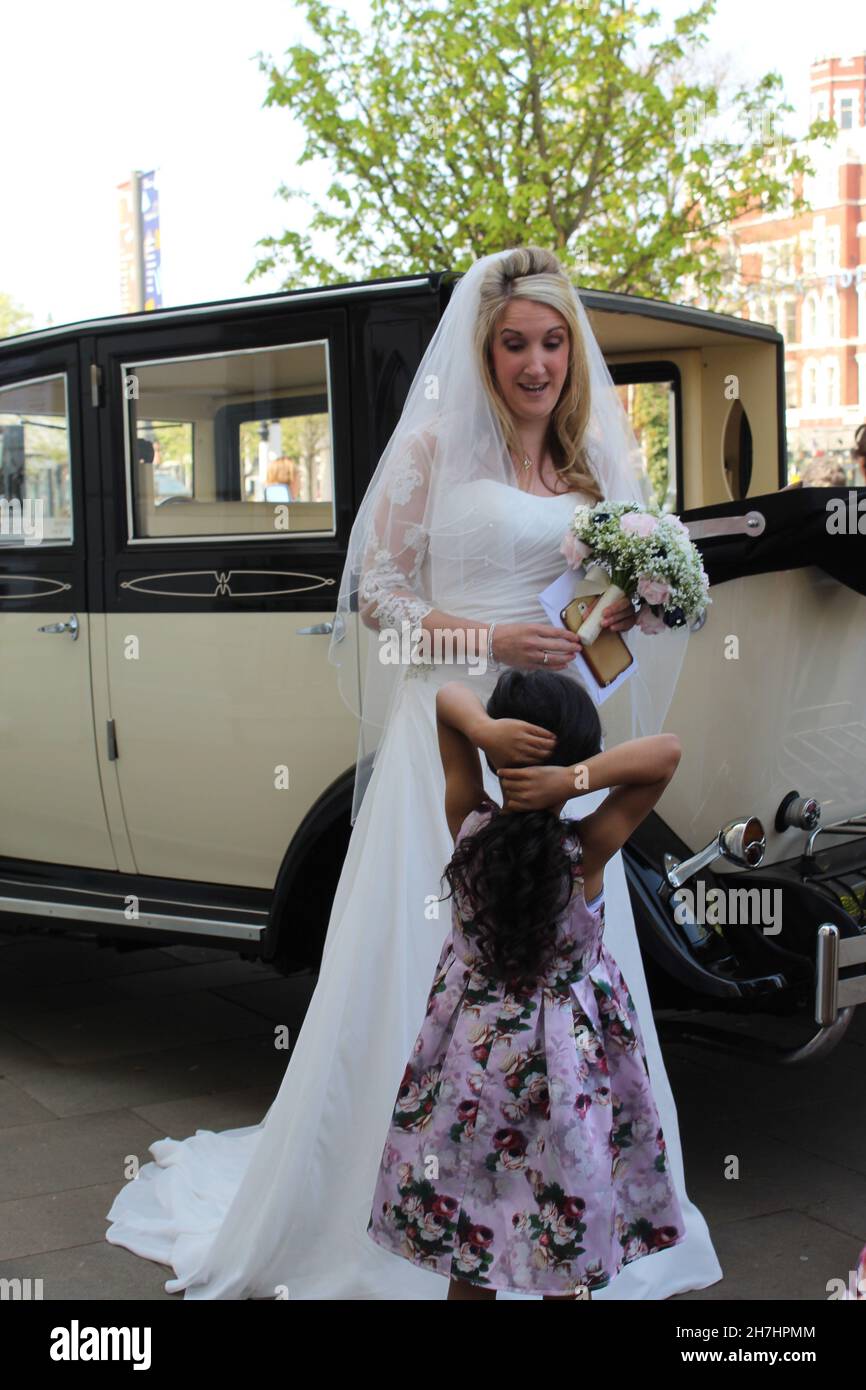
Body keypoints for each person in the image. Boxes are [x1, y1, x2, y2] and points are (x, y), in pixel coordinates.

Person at [105, 245, 722, 1299]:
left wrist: (626, 608)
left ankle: (565, 1211)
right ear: (484, 352)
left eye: (551, 341)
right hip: (451, 723)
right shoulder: (436, 446)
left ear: (572, 352)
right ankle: (416, 1218)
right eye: (514, 342)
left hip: (557, 735)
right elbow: (376, 593)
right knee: (438, 970)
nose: (534, 362)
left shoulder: (588, 476)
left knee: (561, 979)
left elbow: (623, 605)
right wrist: (490, 635)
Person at [367, 672, 687, 1300]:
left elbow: (445, 702)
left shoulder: (468, 823)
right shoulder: (589, 848)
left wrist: (486, 733)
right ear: (584, 752)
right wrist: (575, 780)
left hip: (473, 1060)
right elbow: (667, 753)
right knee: (563, 1209)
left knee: (471, 1225)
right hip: (564, 1069)